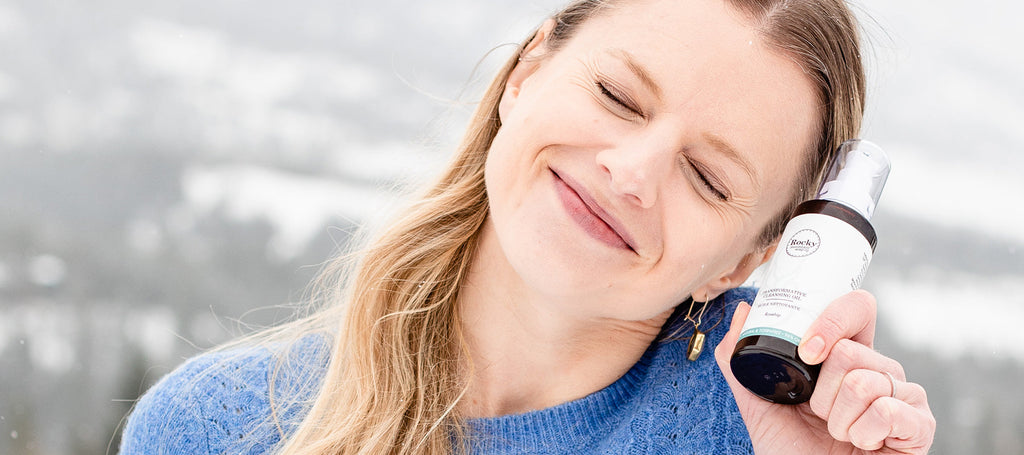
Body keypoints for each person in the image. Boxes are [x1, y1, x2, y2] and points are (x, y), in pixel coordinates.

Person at [119, 0, 937, 453]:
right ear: (527, 72)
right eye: (618, 97)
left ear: (744, 259)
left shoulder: (765, 439)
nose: (632, 170)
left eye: (707, 176)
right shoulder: (215, 429)